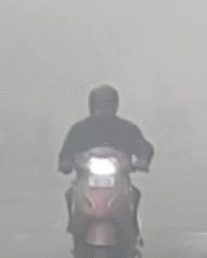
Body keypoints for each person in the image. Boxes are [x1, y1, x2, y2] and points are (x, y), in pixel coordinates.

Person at [58, 84, 154, 247]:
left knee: (134, 194)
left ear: (115, 106)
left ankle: (133, 229)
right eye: (100, 105)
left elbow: (143, 147)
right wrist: (65, 162)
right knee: (70, 193)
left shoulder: (126, 129)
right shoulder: (80, 129)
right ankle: (75, 228)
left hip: (118, 181)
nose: (103, 110)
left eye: (107, 105)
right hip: (86, 181)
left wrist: (142, 160)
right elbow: (67, 151)